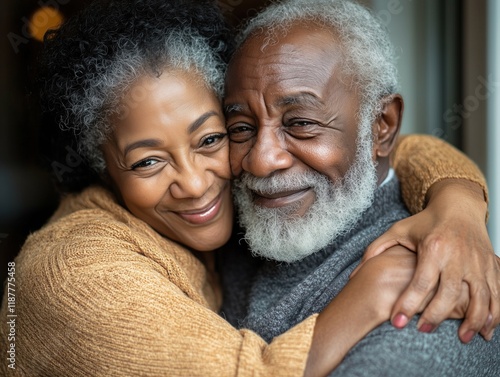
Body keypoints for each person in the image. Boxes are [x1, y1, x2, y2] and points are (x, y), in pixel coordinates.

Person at [0, 0, 496, 376]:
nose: (196, 185)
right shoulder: (73, 276)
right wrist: (359, 302)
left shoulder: (428, 301)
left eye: (212, 137)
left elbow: (394, 147)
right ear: (103, 167)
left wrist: (459, 206)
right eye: (148, 160)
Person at [219, 0, 500, 375]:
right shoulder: (215, 228)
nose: (260, 160)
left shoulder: (428, 297)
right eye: (241, 128)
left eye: (300, 122)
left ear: (381, 126)